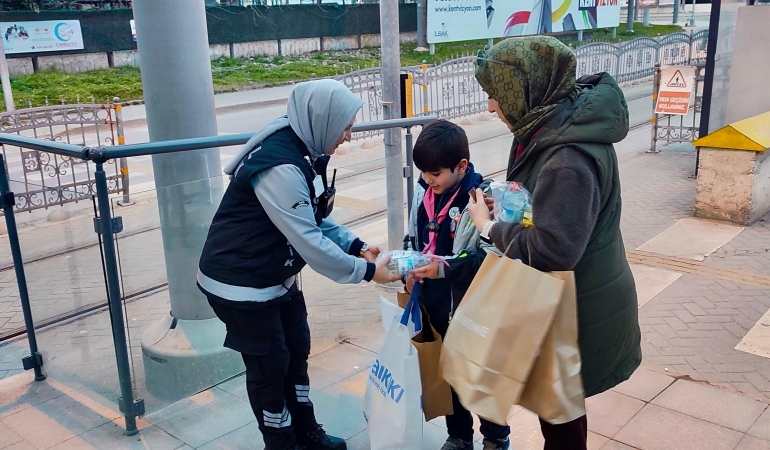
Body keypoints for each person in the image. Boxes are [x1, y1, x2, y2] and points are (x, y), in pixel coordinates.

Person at [197, 79, 401, 450]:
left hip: (275, 276)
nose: (349, 137)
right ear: (322, 120)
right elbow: (309, 241)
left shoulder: (303, 150)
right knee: (270, 368)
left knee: (296, 350)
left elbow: (312, 217)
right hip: (240, 283)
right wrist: (369, 272)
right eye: (346, 127)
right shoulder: (281, 166)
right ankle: (282, 443)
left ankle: (306, 432)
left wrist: (356, 246)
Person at [466, 36, 642, 450]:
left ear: (522, 88)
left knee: (560, 419)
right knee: (559, 409)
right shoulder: (548, 122)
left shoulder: (568, 156)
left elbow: (554, 248)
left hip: (578, 308)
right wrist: (512, 204)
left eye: (494, 94)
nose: (490, 107)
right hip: (569, 298)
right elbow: (551, 208)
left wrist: (489, 227)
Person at [403, 120, 510, 450]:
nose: (427, 180)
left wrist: (443, 269)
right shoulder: (425, 194)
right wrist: (405, 265)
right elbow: (414, 237)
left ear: (461, 166)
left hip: (472, 309)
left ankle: (495, 438)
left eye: (435, 174)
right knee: (447, 374)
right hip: (435, 305)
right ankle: (459, 436)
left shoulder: (483, 200)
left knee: (481, 377)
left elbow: (492, 260)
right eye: (423, 173)